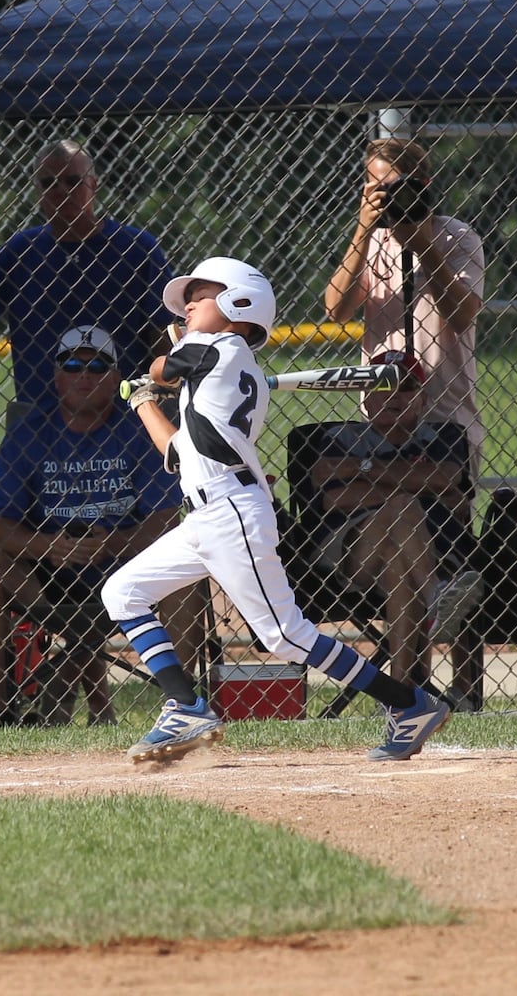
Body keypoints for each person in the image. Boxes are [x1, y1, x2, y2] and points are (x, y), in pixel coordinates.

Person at [100, 256, 451, 763]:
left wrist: (149, 378)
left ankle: (409, 704)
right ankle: (184, 705)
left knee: (283, 635)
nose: (189, 305)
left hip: (230, 513)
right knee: (124, 592)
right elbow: (177, 453)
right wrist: (143, 404)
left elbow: (162, 366)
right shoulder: (225, 371)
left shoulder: (216, 346)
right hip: (205, 515)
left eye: (200, 294)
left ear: (239, 302)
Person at [0, 325, 184, 726]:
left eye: (98, 366)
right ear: (57, 375)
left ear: (115, 379)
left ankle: (184, 705)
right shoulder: (30, 433)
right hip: (46, 575)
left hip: (128, 566)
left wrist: (116, 542)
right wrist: (48, 546)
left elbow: (166, 518)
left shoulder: (138, 428)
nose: (84, 374)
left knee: (190, 570)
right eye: (72, 364)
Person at [309, 348, 483, 686]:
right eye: (380, 386)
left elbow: (447, 481)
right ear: (366, 398)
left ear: (420, 398)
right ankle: (436, 596)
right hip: (353, 554)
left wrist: (362, 473)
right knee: (403, 505)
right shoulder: (340, 437)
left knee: (397, 566)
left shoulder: (442, 436)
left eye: (404, 386)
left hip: (411, 554)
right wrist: (411, 485)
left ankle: (402, 693)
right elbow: (333, 496)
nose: (392, 396)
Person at [323, 137, 486, 480]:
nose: (389, 197)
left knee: (447, 523)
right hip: (383, 414)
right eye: (378, 188)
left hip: (445, 412)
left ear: (422, 186)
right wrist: (363, 230)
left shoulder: (456, 236)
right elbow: (336, 310)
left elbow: (462, 316)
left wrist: (422, 246)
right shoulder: (373, 243)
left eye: (398, 187)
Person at [0, 139, 173, 411]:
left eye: (73, 181)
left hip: (124, 417)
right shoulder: (20, 253)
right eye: (49, 183)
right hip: (42, 417)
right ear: (37, 191)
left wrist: (169, 401)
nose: (61, 191)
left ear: (94, 185)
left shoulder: (136, 249)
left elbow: (164, 338)